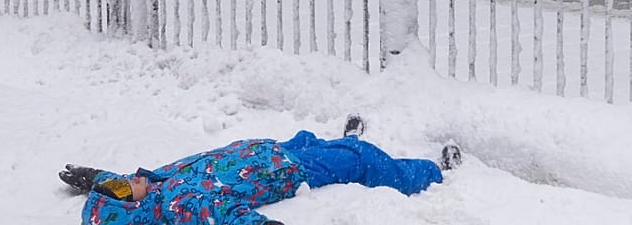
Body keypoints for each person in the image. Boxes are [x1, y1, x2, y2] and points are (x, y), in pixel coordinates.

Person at [59, 115, 461, 225]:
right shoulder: (179, 203)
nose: (133, 178)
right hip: (288, 169)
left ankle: (346, 141)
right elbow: (225, 215)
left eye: (121, 182)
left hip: (268, 150)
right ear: (135, 211)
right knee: (365, 162)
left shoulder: (144, 190)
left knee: (312, 140)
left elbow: (112, 196)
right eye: (126, 188)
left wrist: (95, 178)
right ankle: (433, 171)